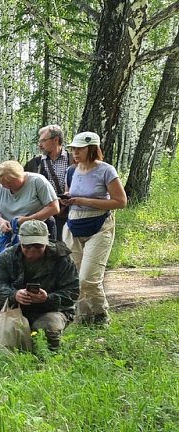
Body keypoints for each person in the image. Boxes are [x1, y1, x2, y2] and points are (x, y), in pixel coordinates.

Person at [0, 220, 79, 351]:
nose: (32, 250)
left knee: (47, 328)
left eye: (38, 246)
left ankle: (47, 358)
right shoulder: (8, 256)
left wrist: (48, 298)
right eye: (27, 245)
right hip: (16, 306)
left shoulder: (62, 258)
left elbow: (73, 292)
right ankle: (1, 347)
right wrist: (14, 295)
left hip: (52, 309)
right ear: (20, 241)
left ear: (46, 242)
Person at [62, 132, 127, 327]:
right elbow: (71, 193)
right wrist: (66, 199)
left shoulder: (106, 170)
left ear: (92, 149)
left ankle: (100, 315)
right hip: (74, 225)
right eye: (73, 149)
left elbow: (120, 202)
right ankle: (84, 318)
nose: (75, 152)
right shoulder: (72, 171)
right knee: (75, 277)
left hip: (99, 225)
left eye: (79, 149)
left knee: (88, 278)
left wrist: (83, 201)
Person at [0, 160, 60, 255]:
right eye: (3, 184)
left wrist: (27, 219)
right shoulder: (1, 186)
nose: (6, 186)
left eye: (9, 183)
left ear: (19, 176)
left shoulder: (37, 181)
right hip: (10, 232)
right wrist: (1, 222)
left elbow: (54, 208)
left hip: (36, 232)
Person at [36, 125, 71, 242]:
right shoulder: (35, 163)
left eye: (43, 141)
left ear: (56, 140)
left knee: (67, 248)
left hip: (69, 212)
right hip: (44, 212)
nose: (40, 144)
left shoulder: (73, 160)